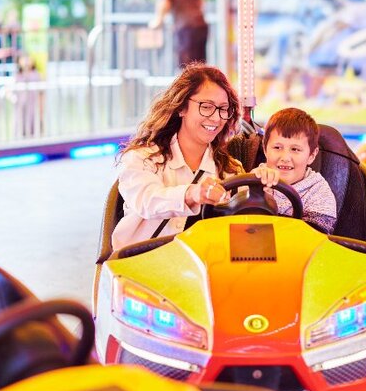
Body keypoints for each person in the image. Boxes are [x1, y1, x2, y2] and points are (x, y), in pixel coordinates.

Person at [112, 64, 278, 251]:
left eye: (223, 109)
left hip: (202, 269)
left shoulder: (230, 170)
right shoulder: (142, 159)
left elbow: (249, 225)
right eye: (206, 107)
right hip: (141, 266)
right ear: (181, 107)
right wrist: (192, 193)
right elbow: (147, 201)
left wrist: (260, 187)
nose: (216, 118)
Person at [252, 108, 337, 234]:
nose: (285, 158)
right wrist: (255, 194)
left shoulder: (319, 193)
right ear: (265, 149)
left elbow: (313, 239)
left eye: (295, 149)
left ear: (312, 156)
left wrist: (269, 205)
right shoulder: (252, 179)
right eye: (277, 147)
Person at [145, 0, 209, 67]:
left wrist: (157, 21)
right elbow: (200, 0)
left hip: (187, 27)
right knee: (200, 67)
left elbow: (164, 2)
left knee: (187, 67)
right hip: (200, 24)